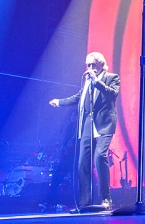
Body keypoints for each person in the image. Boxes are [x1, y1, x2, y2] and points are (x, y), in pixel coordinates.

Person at [49, 52, 119, 212]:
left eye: (93, 65)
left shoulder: (112, 77)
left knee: (100, 156)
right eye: (88, 65)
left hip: (104, 124)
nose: (90, 68)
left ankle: (106, 199)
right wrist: (59, 102)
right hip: (88, 125)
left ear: (101, 64)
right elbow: (78, 97)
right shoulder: (87, 82)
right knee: (83, 163)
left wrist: (96, 81)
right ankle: (84, 203)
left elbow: (112, 94)